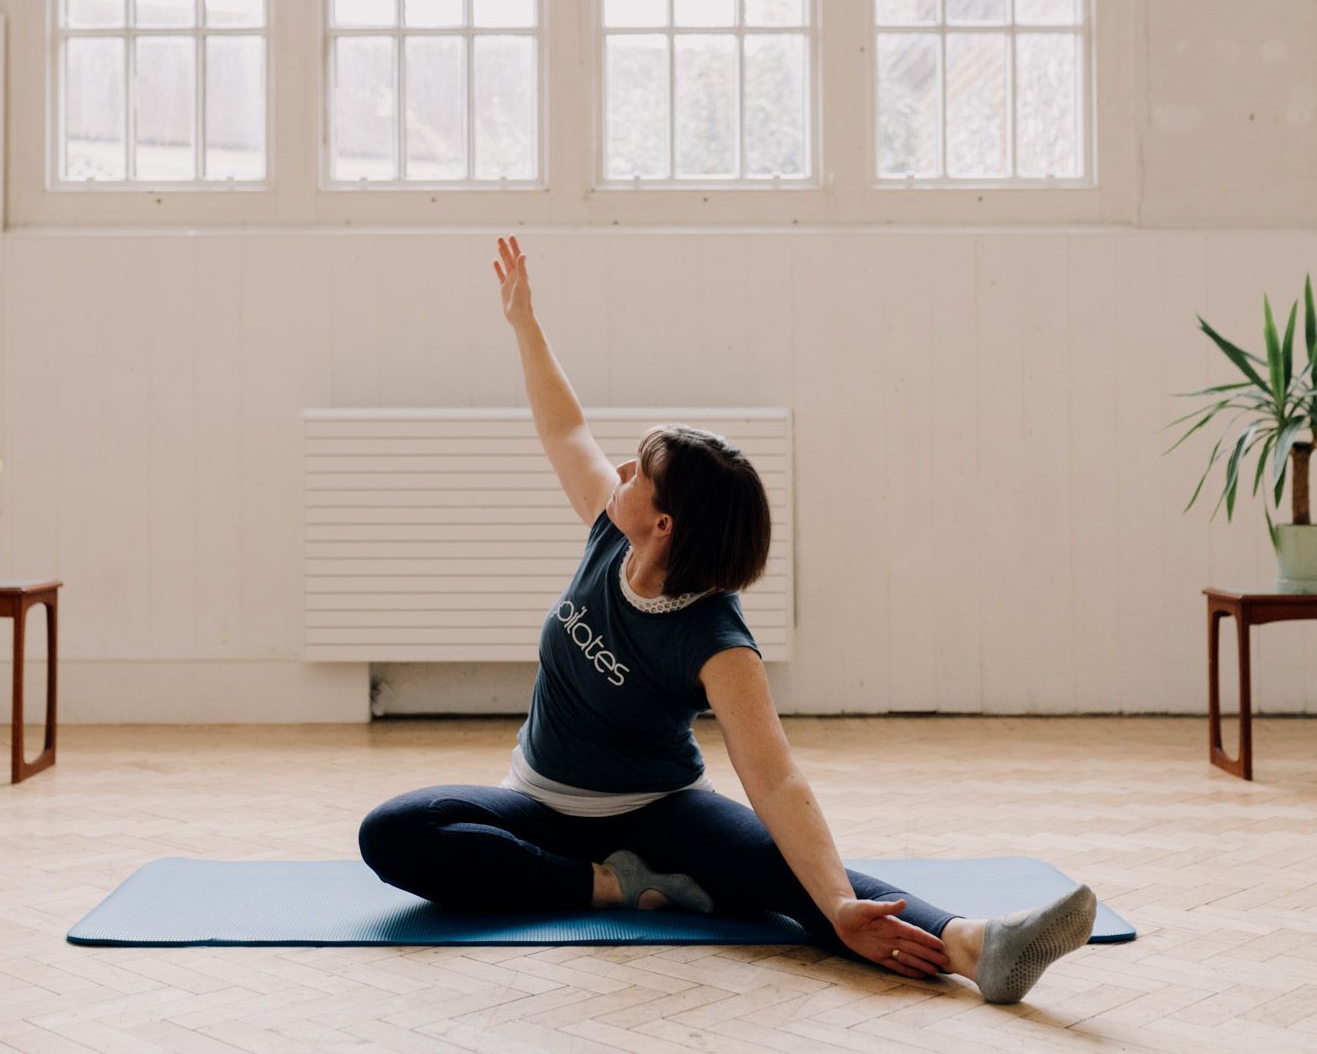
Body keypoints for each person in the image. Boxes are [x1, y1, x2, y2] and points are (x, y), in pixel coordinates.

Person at [356, 235, 1097, 1004]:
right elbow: (564, 429)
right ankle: (615, 889)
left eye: (641, 471)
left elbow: (775, 778)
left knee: (788, 874)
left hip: (658, 813)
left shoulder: (714, 639)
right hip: (539, 805)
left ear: (667, 524)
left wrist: (840, 905)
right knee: (396, 832)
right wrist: (524, 323)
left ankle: (978, 946)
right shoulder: (613, 527)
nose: (622, 471)